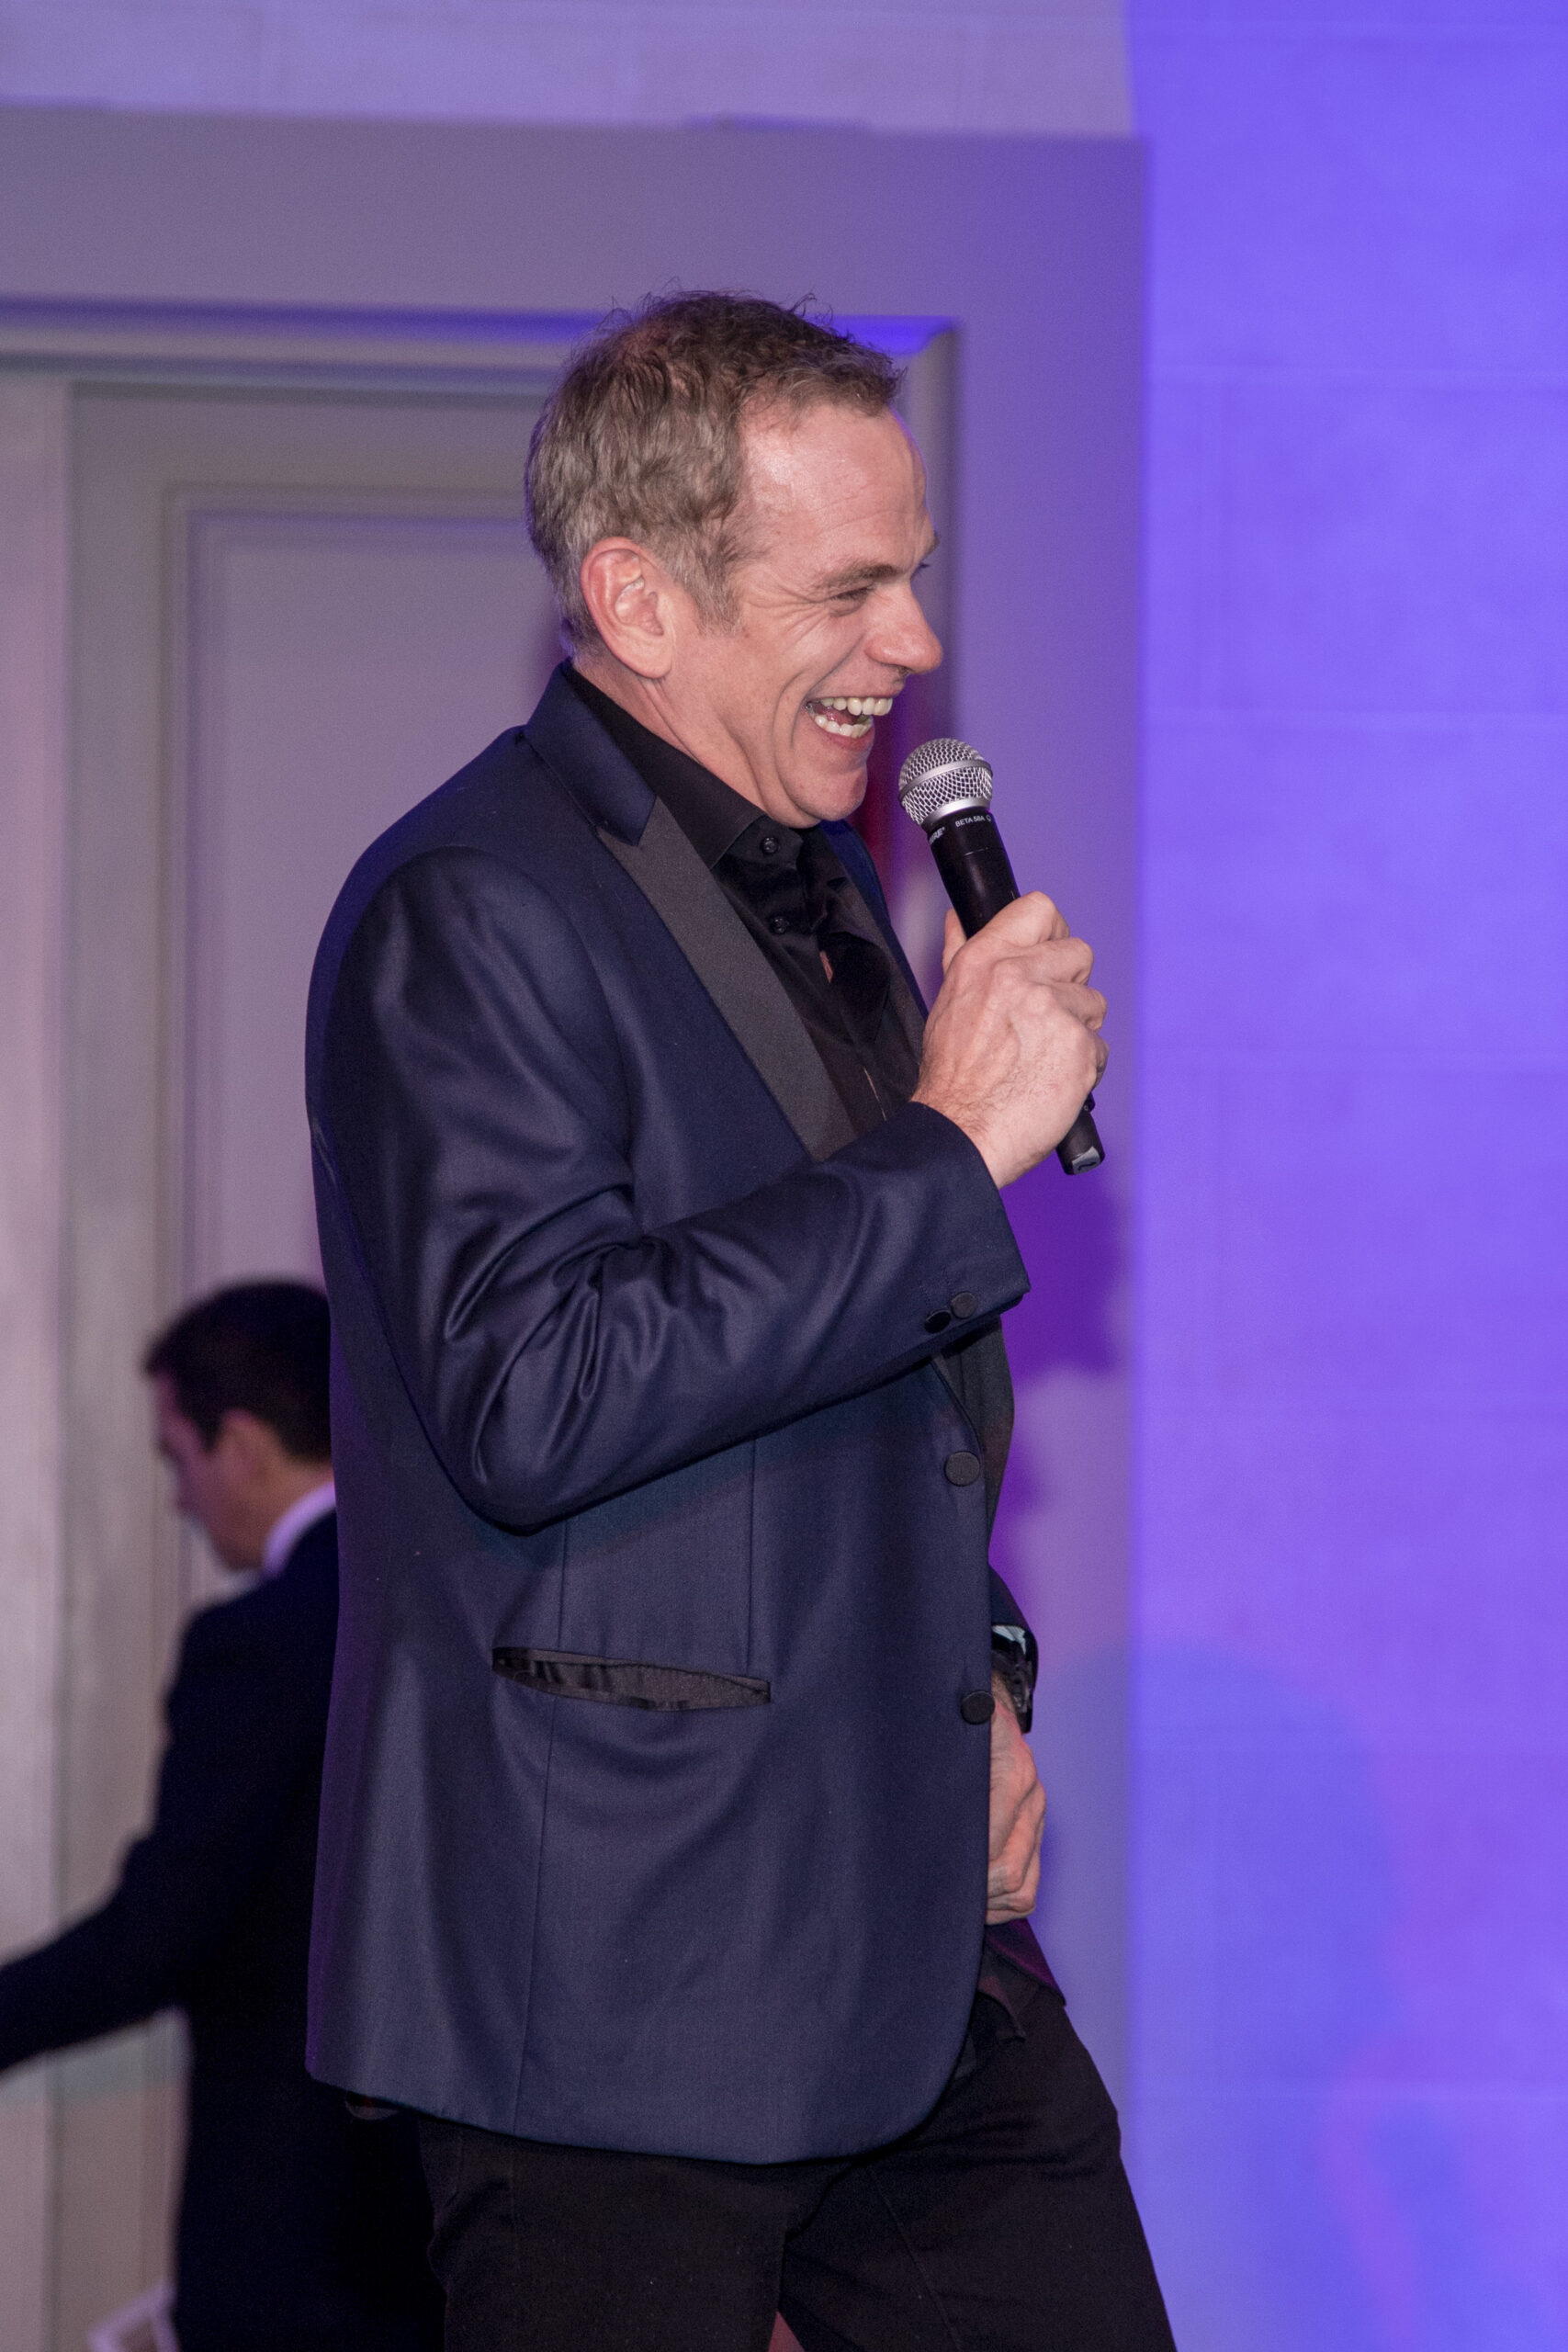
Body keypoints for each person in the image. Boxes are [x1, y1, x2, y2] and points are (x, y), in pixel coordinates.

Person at [306, 293, 1173, 2349]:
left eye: (914, 577)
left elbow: (868, 1399)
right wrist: (949, 1144)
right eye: (849, 589)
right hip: (623, 1965)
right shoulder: (473, 903)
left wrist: (978, 1679)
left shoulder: (822, 885)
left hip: (903, 1934)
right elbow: (535, 1388)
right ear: (637, 597)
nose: (912, 642)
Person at [0, 1282, 443, 2352]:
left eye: (177, 1459)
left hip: (297, 2219)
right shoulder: (446, 1609)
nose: (179, 1500)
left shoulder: (261, 1641)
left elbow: (159, 1930)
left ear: (239, 1444)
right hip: (439, 2210)